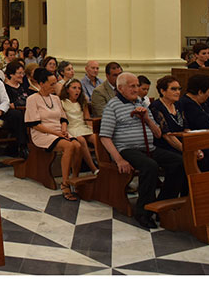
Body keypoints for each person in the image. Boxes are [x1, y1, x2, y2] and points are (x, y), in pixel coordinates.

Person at [99, 72, 185, 229]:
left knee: (178, 162)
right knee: (150, 166)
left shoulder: (142, 104)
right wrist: (119, 159)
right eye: (132, 86)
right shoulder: (112, 106)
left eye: (137, 85)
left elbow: (158, 133)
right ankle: (143, 212)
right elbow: (104, 136)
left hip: (148, 147)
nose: (136, 89)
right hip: (127, 149)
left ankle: (162, 204)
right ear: (120, 88)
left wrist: (146, 118)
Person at [25, 68, 82, 200]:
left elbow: (63, 118)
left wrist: (63, 129)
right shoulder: (32, 99)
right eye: (51, 84)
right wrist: (56, 133)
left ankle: (75, 179)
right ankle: (65, 183)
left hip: (59, 132)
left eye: (55, 83)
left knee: (78, 146)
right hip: (42, 133)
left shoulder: (55, 99)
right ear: (41, 83)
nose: (54, 86)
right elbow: (34, 124)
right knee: (68, 147)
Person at [59, 79, 98, 174]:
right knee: (81, 140)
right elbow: (62, 119)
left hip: (82, 126)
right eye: (74, 88)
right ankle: (93, 168)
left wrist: (92, 129)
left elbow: (87, 118)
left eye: (79, 88)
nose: (77, 91)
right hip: (71, 127)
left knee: (96, 138)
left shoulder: (82, 102)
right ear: (67, 89)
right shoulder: (62, 102)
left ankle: (102, 165)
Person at [149, 76, 188, 155]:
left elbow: (186, 128)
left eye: (179, 89)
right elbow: (167, 136)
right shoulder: (156, 106)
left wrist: (193, 147)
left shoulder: (178, 104)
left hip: (182, 143)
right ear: (163, 91)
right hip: (167, 146)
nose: (178, 92)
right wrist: (186, 150)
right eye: (173, 89)